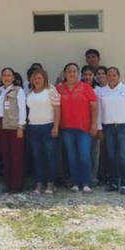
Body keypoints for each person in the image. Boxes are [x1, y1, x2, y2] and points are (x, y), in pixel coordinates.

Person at [57, 63, 99, 193]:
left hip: (84, 128)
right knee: (72, 156)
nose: (71, 73)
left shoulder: (85, 87)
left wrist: (94, 124)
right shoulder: (59, 89)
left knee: (84, 155)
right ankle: (75, 182)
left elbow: (94, 106)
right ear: (64, 73)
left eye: (74, 71)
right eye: (69, 71)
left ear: (78, 73)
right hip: (66, 128)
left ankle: (86, 182)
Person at [98, 67, 125, 195]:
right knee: (111, 156)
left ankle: (124, 184)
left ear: (118, 76)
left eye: (114, 75)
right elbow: (99, 111)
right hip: (108, 127)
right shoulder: (102, 91)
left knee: (123, 156)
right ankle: (114, 182)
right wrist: (100, 127)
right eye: (109, 75)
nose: (111, 77)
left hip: (123, 127)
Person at [25, 68, 61, 195]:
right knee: (37, 156)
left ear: (44, 79)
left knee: (50, 156)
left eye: (39, 78)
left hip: (48, 127)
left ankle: (50, 184)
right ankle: (39, 183)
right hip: (33, 127)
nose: (37, 80)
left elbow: (57, 110)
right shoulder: (29, 94)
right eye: (35, 79)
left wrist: (55, 127)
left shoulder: (51, 92)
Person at [0, 68, 27, 193]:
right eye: (4, 75)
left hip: (14, 126)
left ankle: (17, 184)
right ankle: (8, 183)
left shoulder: (18, 90)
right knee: (6, 156)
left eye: (9, 75)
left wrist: (21, 126)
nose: (6, 77)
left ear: (13, 78)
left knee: (16, 156)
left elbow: (22, 109)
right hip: (2, 125)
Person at [81, 65, 101, 185]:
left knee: (94, 153)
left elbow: (99, 110)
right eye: (85, 75)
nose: (88, 77)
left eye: (90, 75)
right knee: (82, 153)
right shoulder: (79, 89)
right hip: (81, 126)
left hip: (94, 126)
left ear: (94, 76)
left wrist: (98, 127)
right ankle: (82, 177)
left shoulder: (98, 90)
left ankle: (93, 177)